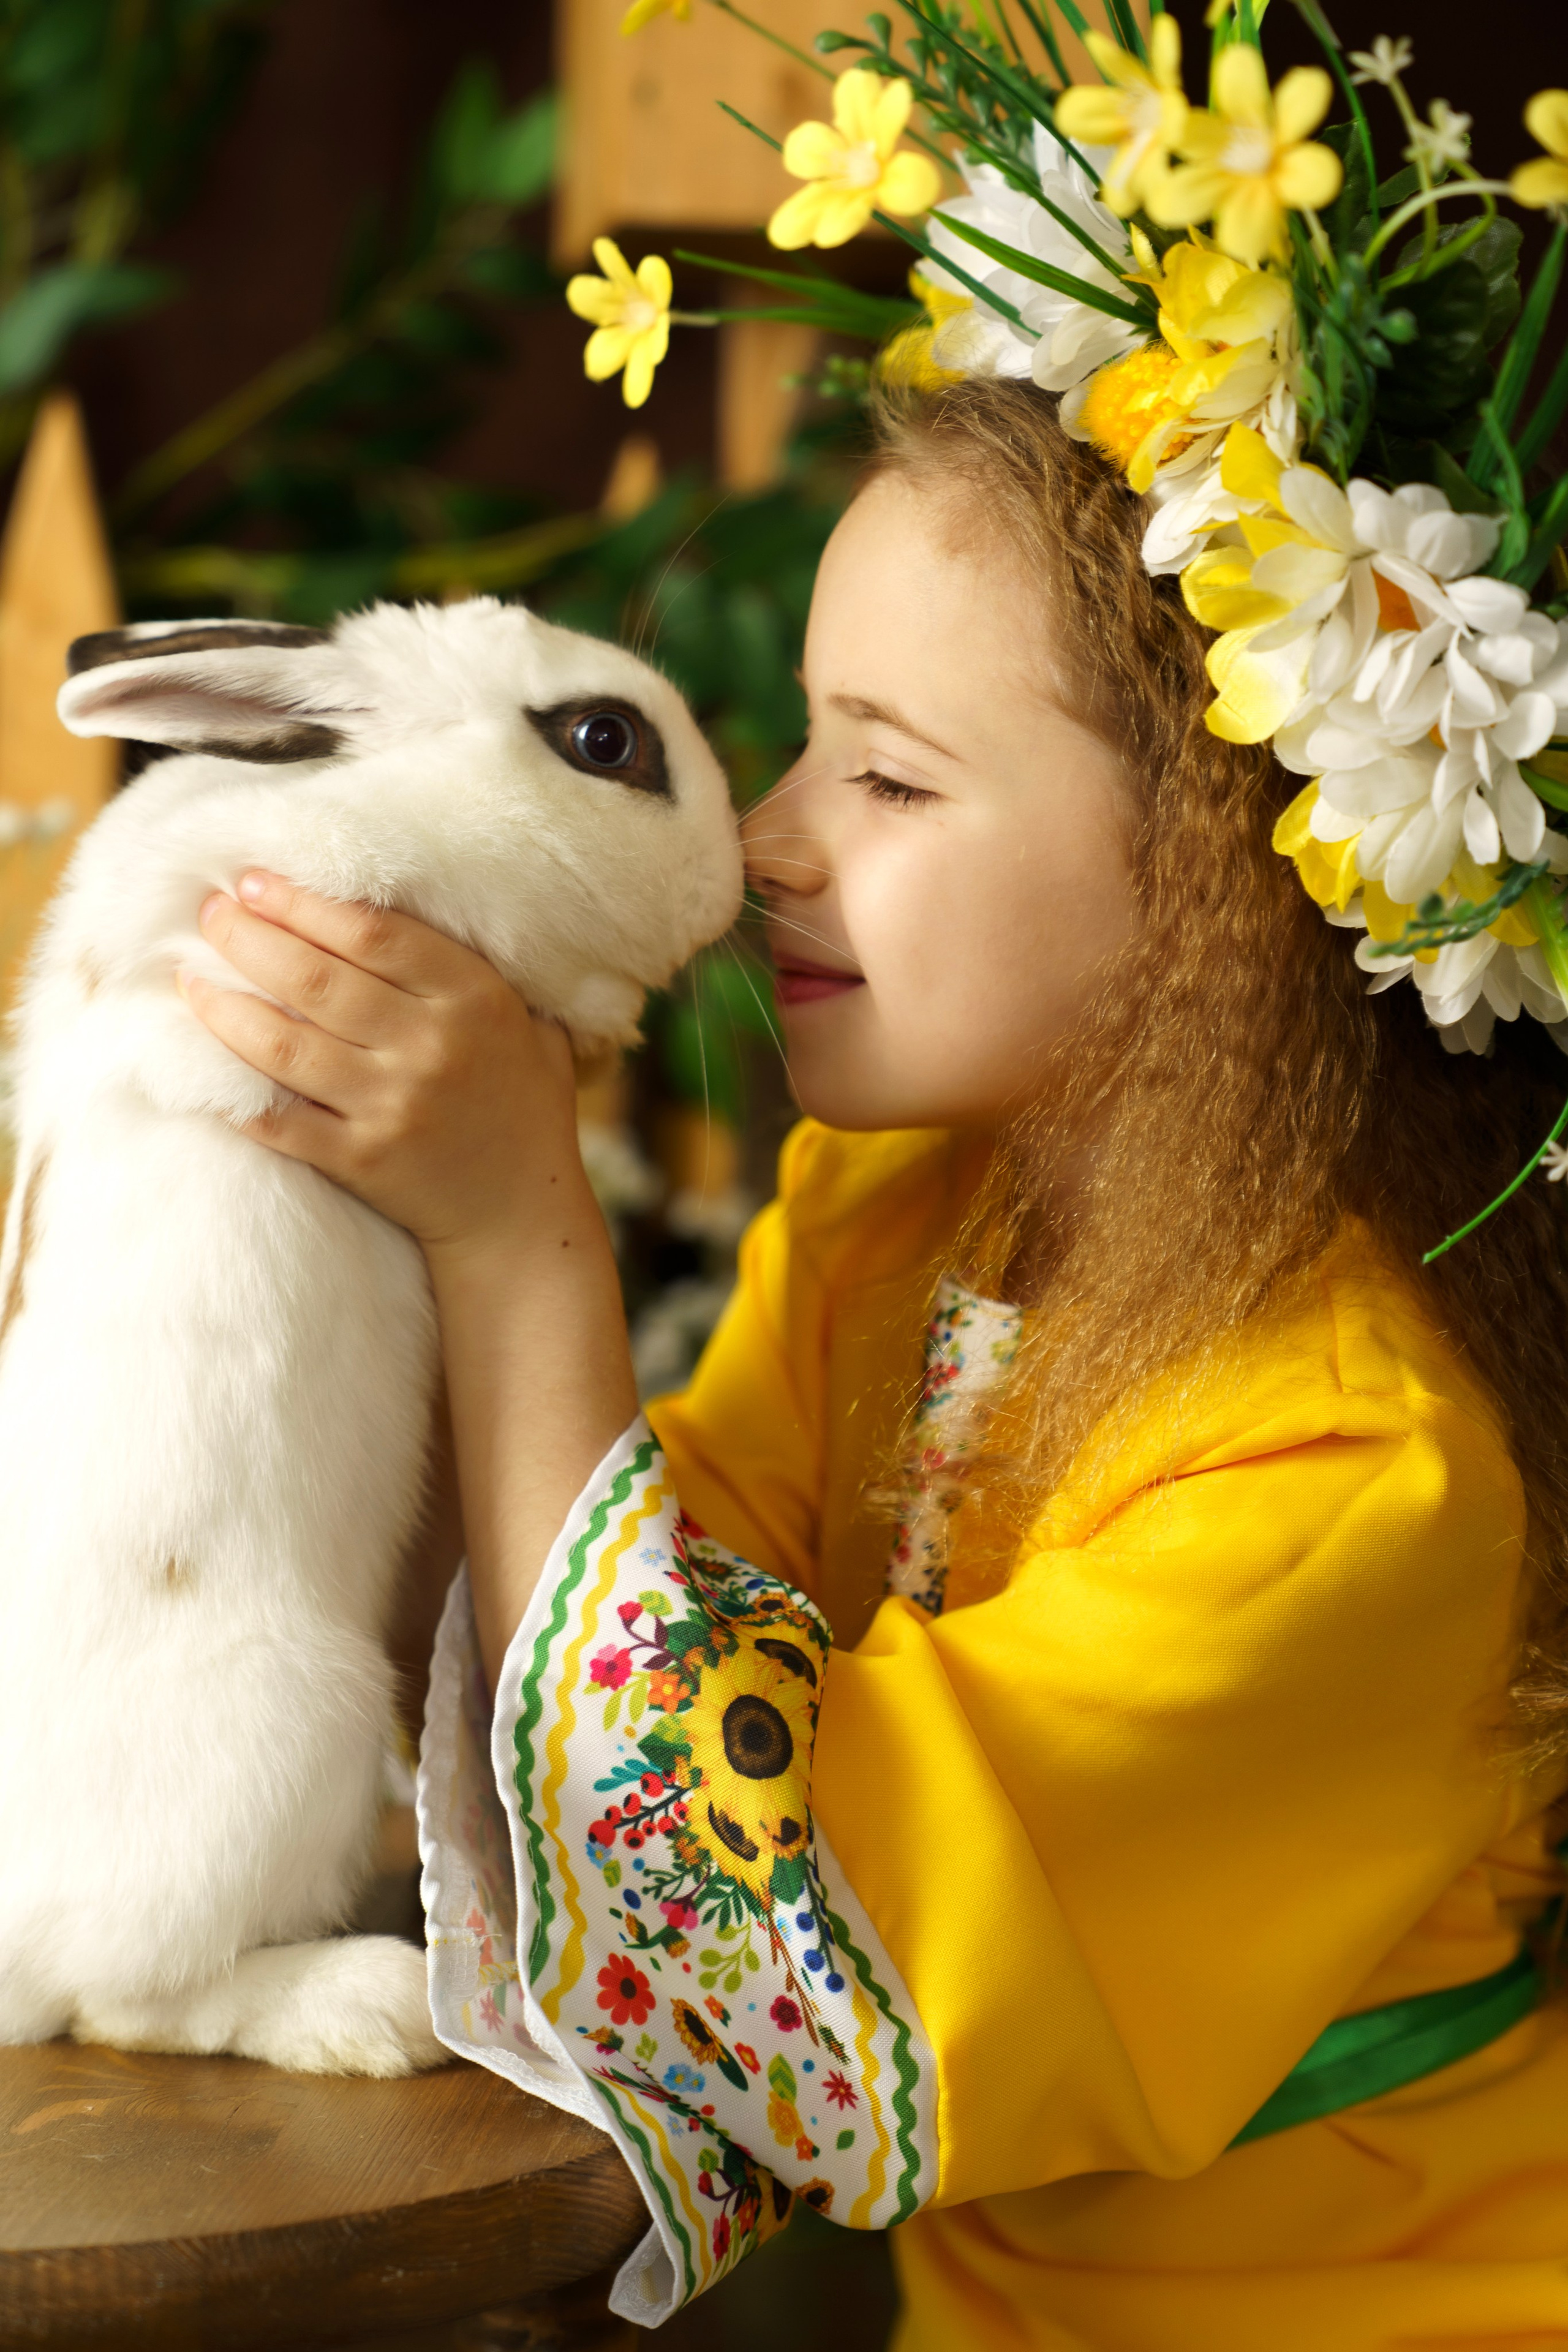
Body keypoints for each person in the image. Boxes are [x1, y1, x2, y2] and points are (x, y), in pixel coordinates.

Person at [179, 369, 1568, 2348]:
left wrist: (511, 1238)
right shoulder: (905, 1210)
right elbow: (576, 1672)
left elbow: (760, 1969)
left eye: (892, 782)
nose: (766, 841)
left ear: (1230, 869)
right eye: (808, 752)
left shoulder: (1354, 1470)